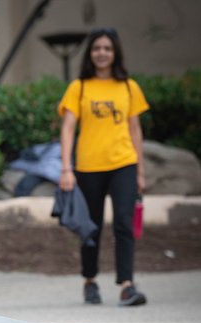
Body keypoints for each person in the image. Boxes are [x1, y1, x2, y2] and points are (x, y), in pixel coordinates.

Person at [58, 27, 149, 306]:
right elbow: (68, 128)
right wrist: (66, 169)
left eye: (107, 48)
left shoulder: (129, 87)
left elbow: (135, 129)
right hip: (88, 166)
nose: (102, 53)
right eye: (97, 48)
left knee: (123, 224)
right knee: (91, 227)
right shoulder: (79, 87)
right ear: (90, 53)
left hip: (124, 163)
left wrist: (140, 171)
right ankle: (90, 281)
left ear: (115, 53)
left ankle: (126, 285)